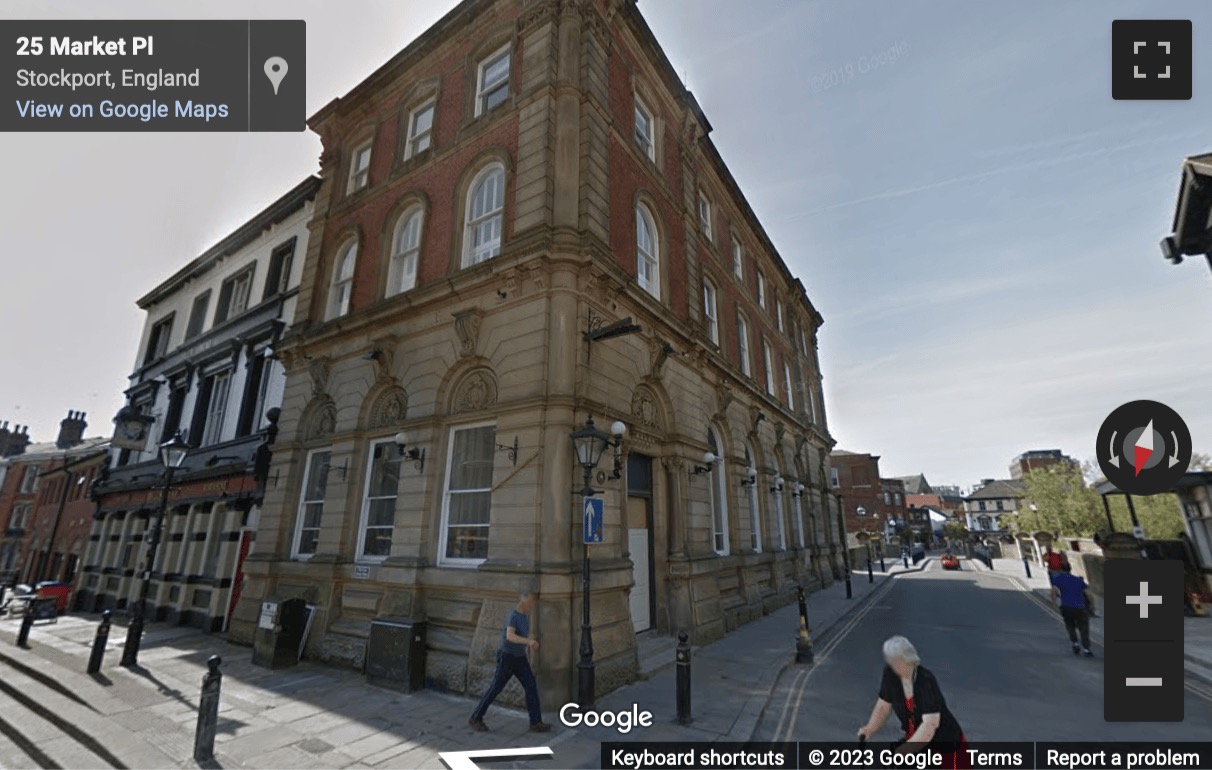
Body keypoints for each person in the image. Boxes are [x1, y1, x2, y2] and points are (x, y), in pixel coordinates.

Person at [857, 636, 969, 769]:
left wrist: (904, 751)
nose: (893, 666)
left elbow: (930, 725)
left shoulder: (925, 681)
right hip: (915, 740)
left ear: (908, 659)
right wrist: (870, 728)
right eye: (892, 662)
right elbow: (883, 706)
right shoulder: (890, 675)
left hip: (942, 745)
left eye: (897, 661)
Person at [469, 591, 552, 733]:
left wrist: (529, 646)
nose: (532, 605)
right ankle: (476, 717)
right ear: (523, 602)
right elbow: (510, 636)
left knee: (531, 685)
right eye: (530, 602)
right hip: (507, 657)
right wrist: (529, 641)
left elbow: (523, 636)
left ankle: (536, 722)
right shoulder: (513, 615)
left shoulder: (525, 616)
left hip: (519, 658)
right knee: (496, 688)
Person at [1050, 563, 1093, 657]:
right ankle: (1086, 649)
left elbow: (1053, 592)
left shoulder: (1057, 579)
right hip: (1080, 607)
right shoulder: (1078, 580)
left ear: (1061, 569)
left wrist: (1054, 605)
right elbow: (1089, 594)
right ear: (1070, 569)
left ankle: (1075, 643)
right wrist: (1092, 606)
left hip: (1066, 606)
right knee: (1083, 628)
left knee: (1070, 625)